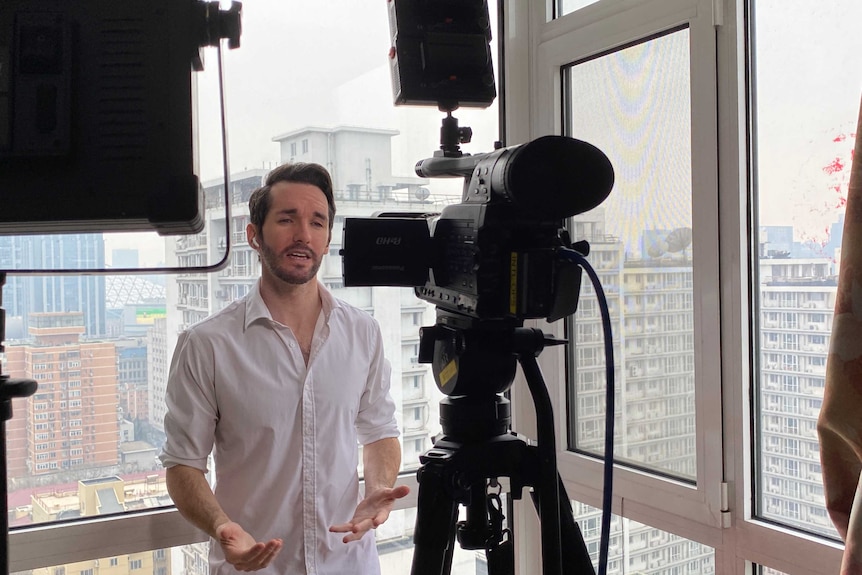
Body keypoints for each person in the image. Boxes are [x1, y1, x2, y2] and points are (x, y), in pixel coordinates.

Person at [159, 162, 410, 575]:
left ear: (328, 239)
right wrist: (222, 527)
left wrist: (379, 487)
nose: (303, 235)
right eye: (287, 219)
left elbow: (380, 430)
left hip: (349, 563)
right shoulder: (207, 344)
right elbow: (183, 464)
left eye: (317, 222)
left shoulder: (363, 332)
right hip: (254, 568)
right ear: (253, 235)